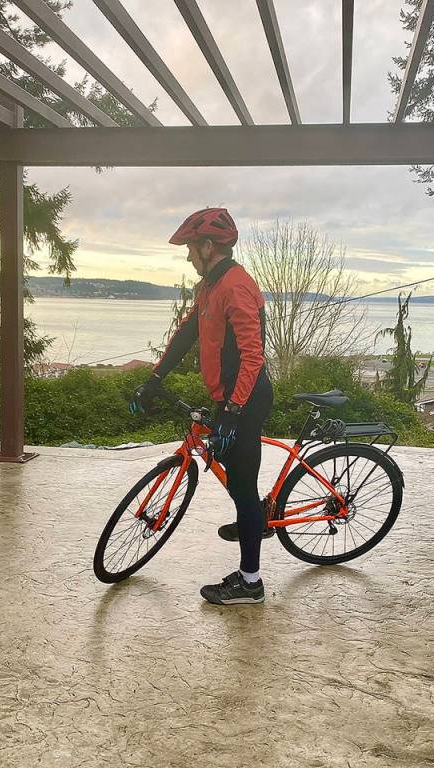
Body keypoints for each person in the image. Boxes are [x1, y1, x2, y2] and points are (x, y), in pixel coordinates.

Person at [129, 207, 274, 605]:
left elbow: (253, 357)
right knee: (237, 481)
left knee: (243, 489)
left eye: (191, 248)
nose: (189, 256)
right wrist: (154, 379)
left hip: (247, 398)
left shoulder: (236, 286)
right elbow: (186, 334)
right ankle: (252, 519)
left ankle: (250, 583)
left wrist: (234, 412)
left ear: (209, 247)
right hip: (229, 399)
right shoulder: (210, 286)